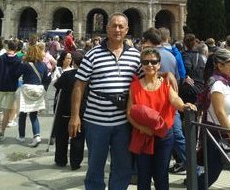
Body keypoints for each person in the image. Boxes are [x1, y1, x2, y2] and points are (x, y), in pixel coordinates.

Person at [68, 13, 141, 189]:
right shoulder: (92, 54)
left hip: (123, 121)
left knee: (123, 166)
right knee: (95, 166)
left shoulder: (135, 56)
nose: (117, 29)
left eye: (121, 26)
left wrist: (166, 75)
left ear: (127, 30)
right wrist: (74, 117)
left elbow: (147, 79)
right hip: (96, 121)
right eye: (114, 26)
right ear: (107, 29)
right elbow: (79, 86)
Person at [127, 47, 197, 190]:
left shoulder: (165, 84)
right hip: (143, 135)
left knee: (161, 176)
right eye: (145, 62)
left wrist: (184, 106)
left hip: (164, 135)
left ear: (159, 64)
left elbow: (174, 99)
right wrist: (142, 128)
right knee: (143, 176)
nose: (149, 65)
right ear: (141, 65)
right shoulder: (134, 86)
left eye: (153, 62)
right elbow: (129, 112)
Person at [198, 48, 230, 190]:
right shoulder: (217, 85)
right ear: (220, 65)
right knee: (213, 174)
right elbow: (220, 112)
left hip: (227, 132)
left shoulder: (223, 81)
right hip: (220, 135)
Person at [142, 27, 187, 175]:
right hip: (171, 104)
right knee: (174, 136)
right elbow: (178, 79)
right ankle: (189, 165)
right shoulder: (172, 56)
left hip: (153, 104)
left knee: (156, 139)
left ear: (148, 41)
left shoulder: (145, 57)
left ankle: (190, 165)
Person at [53, 51, 85, 170]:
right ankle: (75, 162)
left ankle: (60, 160)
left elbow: (57, 86)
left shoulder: (67, 75)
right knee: (78, 137)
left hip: (64, 109)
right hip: (81, 110)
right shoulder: (87, 76)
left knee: (62, 136)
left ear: (74, 63)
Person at [15, 43, 48, 147]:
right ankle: (36, 136)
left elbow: (16, 74)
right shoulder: (43, 65)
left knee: (23, 114)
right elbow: (45, 79)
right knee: (34, 115)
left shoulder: (25, 64)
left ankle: (21, 136)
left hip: (26, 90)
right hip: (38, 90)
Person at [0, 39, 21, 141]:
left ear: (7, 47)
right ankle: (2, 132)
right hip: (11, 87)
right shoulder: (18, 60)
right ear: (16, 49)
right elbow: (18, 74)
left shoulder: (1, 58)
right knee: (7, 110)